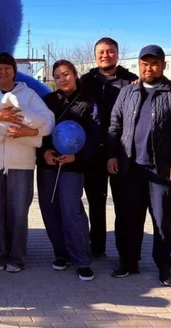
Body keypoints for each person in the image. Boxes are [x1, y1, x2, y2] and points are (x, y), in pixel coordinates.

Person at [106, 45, 171, 287]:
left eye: (154, 63)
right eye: (145, 63)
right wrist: (112, 155)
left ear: (163, 65)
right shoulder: (127, 93)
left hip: (161, 169)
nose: (149, 68)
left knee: (162, 220)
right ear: (139, 65)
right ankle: (128, 262)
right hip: (130, 168)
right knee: (127, 219)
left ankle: (164, 265)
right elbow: (114, 126)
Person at [0, 52, 55, 273]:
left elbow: (48, 121)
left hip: (22, 163)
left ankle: (17, 257)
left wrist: (30, 130)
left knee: (19, 211)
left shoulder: (28, 94)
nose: (3, 71)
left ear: (14, 70)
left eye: (7, 67)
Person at [37, 60, 100, 281]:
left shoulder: (89, 103)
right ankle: (60, 253)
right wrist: (44, 152)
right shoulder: (48, 101)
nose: (62, 79)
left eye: (66, 74)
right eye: (57, 76)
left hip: (74, 165)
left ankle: (82, 259)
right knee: (49, 209)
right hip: (49, 164)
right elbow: (40, 131)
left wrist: (77, 156)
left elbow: (95, 137)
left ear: (75, 74)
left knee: (71, 210)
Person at [79, 37, 138, 258]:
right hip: (93, 151)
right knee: (96, 202)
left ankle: (125, 251)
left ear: (117, 53)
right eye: (102, 52)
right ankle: (97, 248)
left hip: (122, 151)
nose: (106, 55)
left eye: (110, 51)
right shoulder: (85, 80)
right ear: (95, 55)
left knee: (124, 204)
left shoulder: (131, 80)